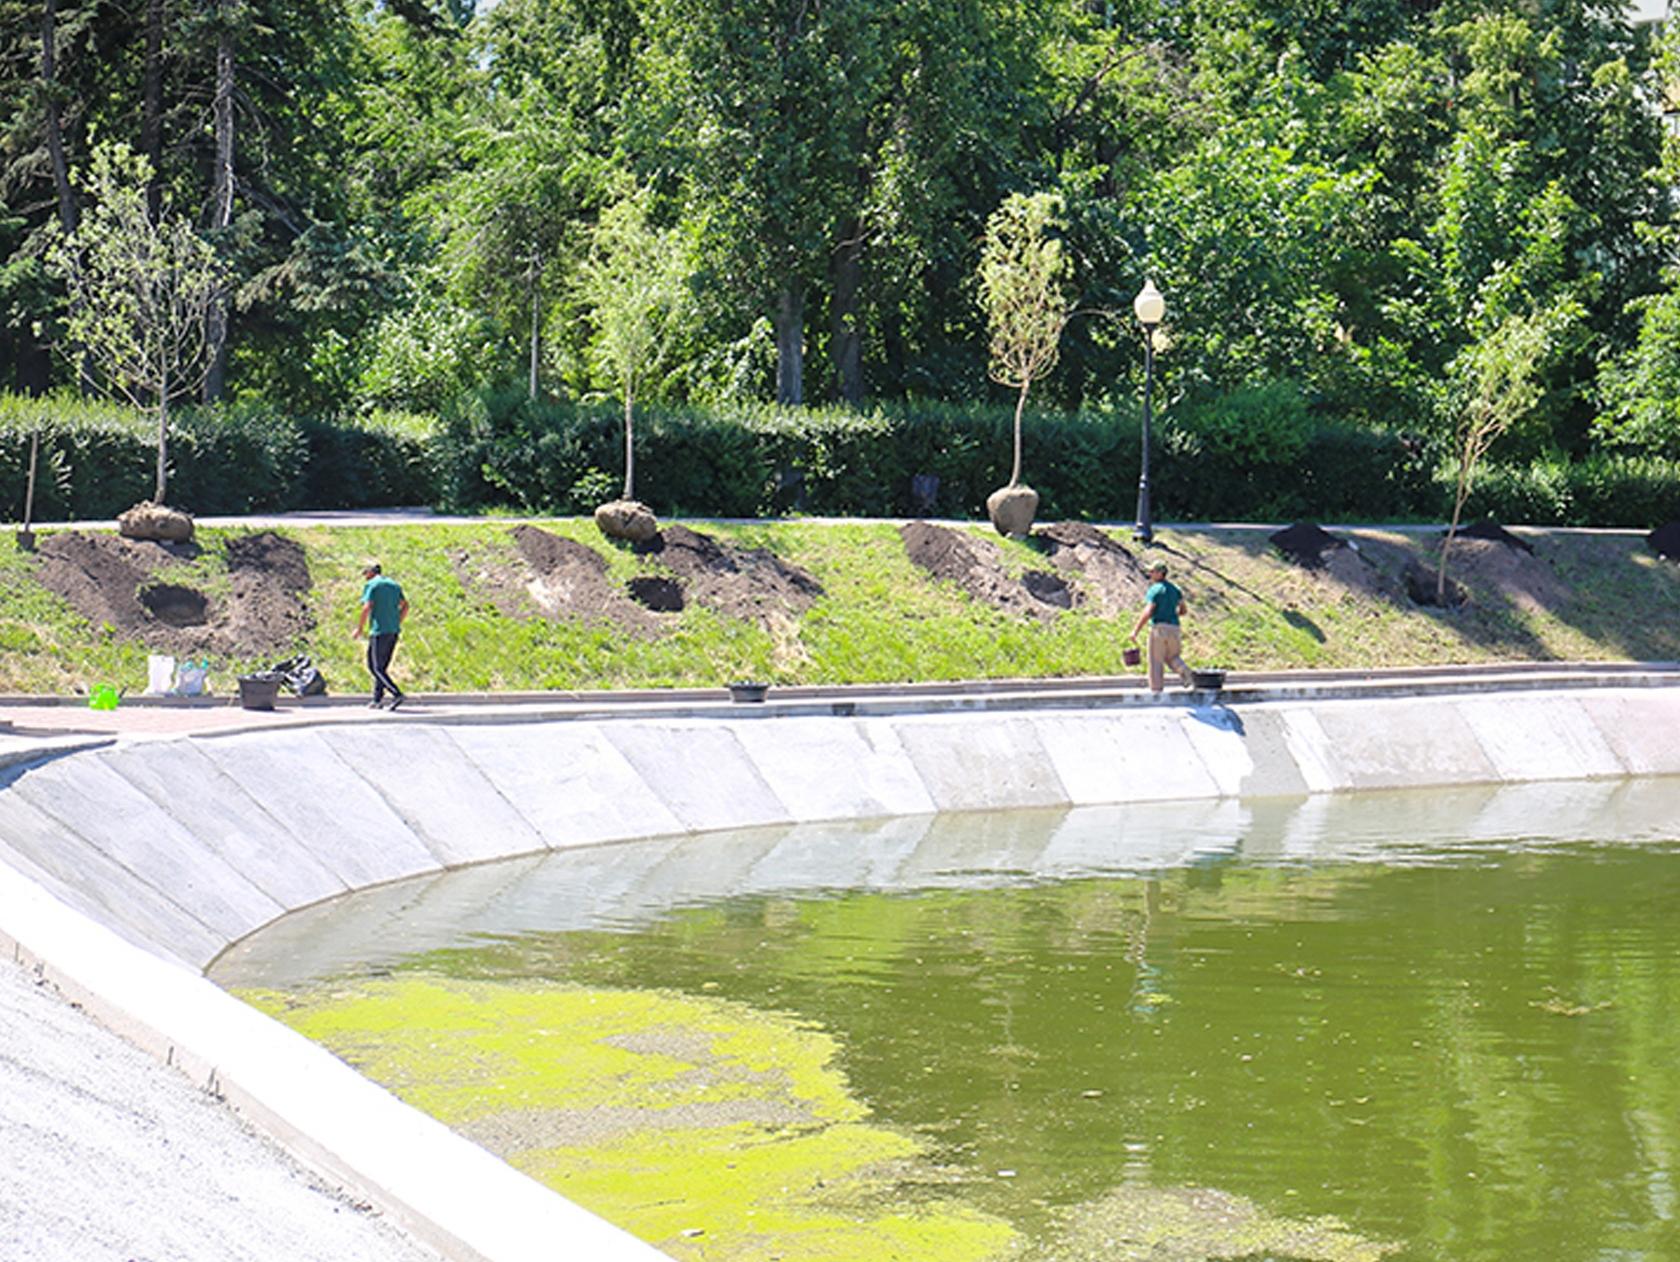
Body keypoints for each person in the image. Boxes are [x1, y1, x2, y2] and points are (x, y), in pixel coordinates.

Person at [1129, 559, 1193, 693]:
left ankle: (1156, 692)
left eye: (1152, 572)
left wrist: (1135, 631)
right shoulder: (1175, 590)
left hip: (1159, 628)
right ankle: (1186, 672)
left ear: (1160, 573)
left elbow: (1148, 610)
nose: (1150, 574)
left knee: (1156, 661)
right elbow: (1183, 610)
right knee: (1173, 657)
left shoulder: (1155, 590)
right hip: (1174, 628)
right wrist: (1172, 614)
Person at [354, 562, 409, 709]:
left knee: (375, 667)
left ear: (371, 573)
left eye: (365, 574)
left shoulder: (372, 585)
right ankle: (377, 699)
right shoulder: (394, 585)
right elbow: (405, 605)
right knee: (381, 667)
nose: (365, 577)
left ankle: (396, 694)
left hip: (379, 631)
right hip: (393, 631)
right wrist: (398, 621)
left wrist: (359, 628)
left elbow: (366, 608)